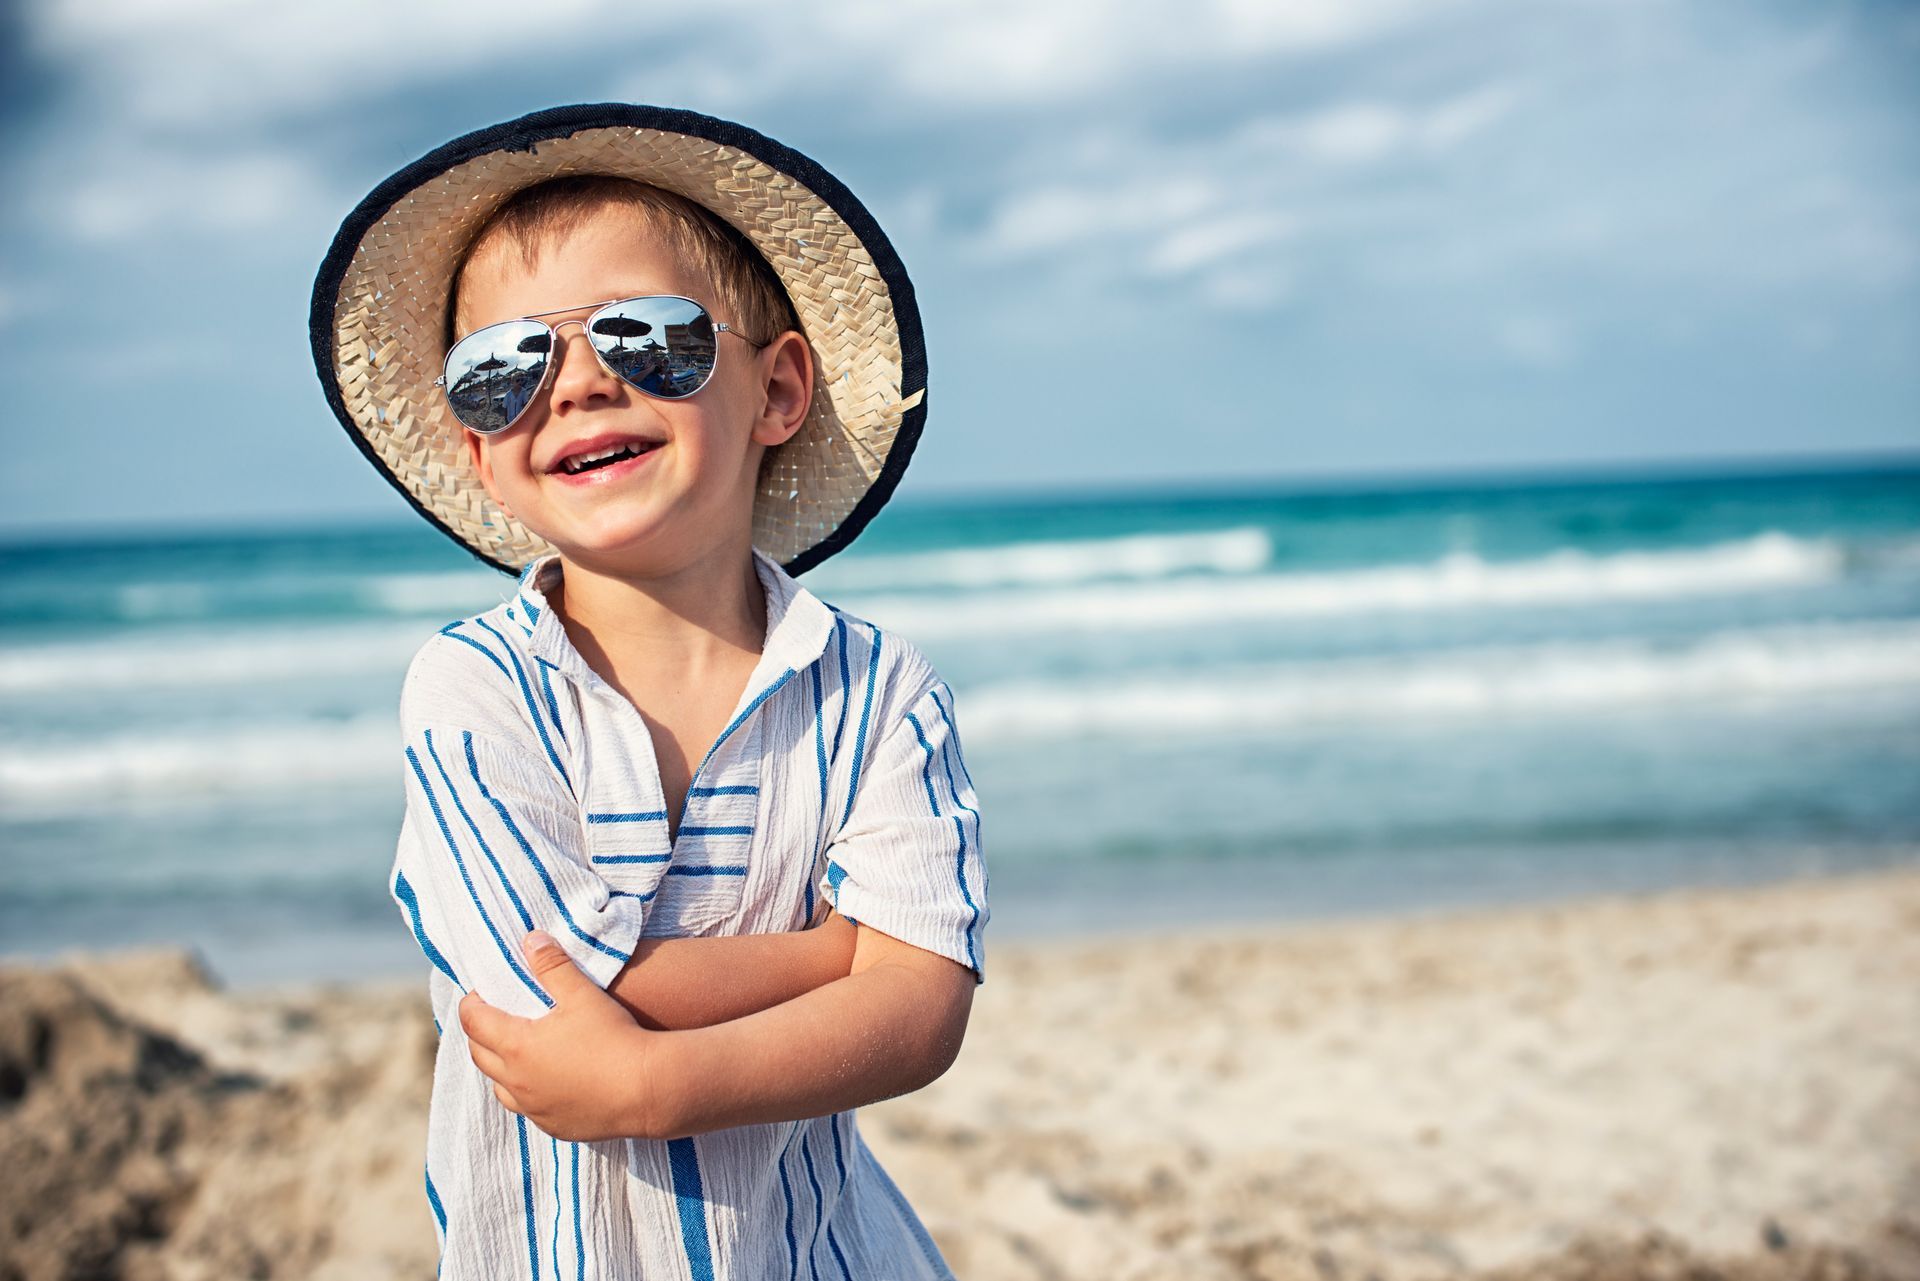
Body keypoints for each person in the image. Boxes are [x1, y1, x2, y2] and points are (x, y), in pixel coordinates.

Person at [309, 103, 987, 1281]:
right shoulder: (476, 687)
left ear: (776, 393)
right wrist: (849, 959)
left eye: (646, 339)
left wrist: (655, 1083)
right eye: (503, 367)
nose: (573, 388)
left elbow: (923, 1014)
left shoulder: (877, 687)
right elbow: (558, 986)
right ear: (479, 456)